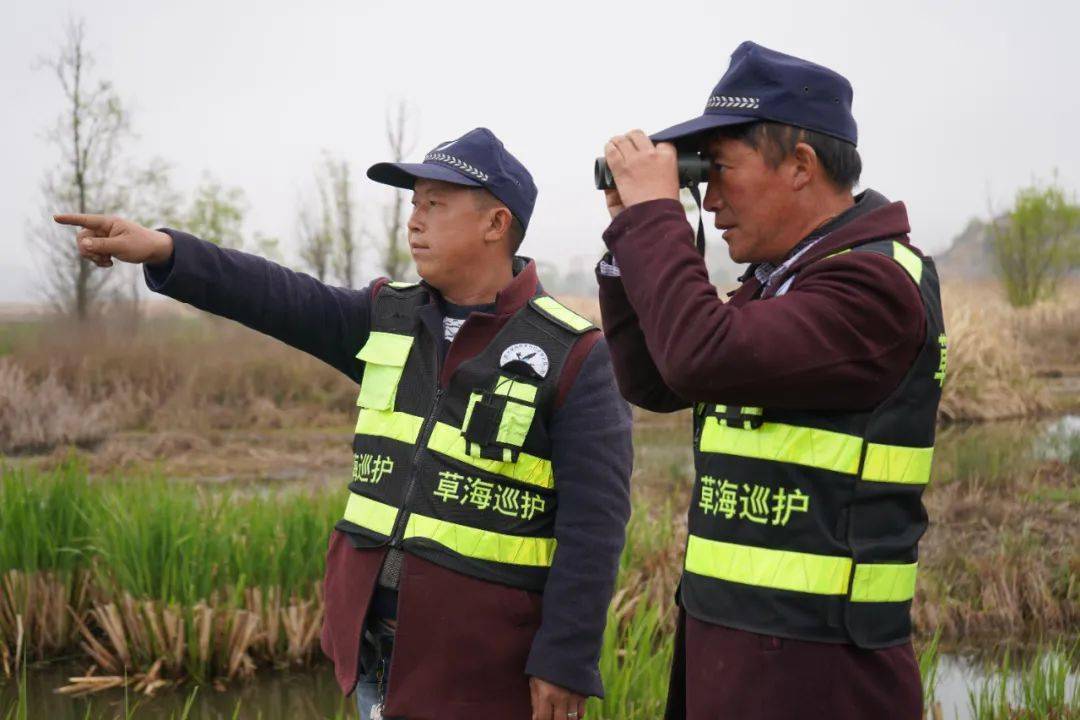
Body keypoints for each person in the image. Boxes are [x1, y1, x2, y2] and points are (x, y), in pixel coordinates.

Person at [56, 127, 633, 720]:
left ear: (495, 224)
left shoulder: (575, 356)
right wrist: (166, 251)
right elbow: (276, 295)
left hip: (481, 668)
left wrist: (564, 660)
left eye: (435, 203)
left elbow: (597, 528)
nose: (415, 220)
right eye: (414, 204)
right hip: (375, 651)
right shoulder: (388, 315)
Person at [597, 42, 946, 719]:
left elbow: (700, 356)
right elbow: (659, 380)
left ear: (800, 165)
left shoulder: (873, 287)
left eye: (719, 170)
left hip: (825, 677)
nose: (711, 197)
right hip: (732, 659)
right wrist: (627, 232)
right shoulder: (779, 284)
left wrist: (655, 217)